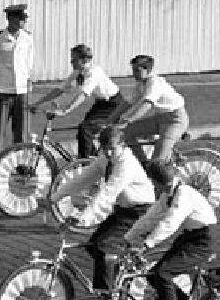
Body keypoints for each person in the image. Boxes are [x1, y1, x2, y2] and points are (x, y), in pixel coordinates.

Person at [45, 124, 155, 290]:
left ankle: (104, 297)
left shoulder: (126, 165)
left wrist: (81, 218)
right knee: (93, 246)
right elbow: (83, 179)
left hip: (140, 212)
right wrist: (54, 198)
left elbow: (107, 194)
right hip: (123, 211)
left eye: (112, 149)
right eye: (105, 149)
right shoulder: (106, 159)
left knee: (104, 248)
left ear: (123, 145)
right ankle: (117, 281)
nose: (108, 153)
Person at [124, 159, 217, 300]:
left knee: (163, 274)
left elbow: (170, 223)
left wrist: (147, 244)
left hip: (201, 242)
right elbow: (152, 217)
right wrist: (129, 237)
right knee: (153, 274)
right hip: (189, 238)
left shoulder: (183, 196)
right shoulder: (170, 193)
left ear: (158, 183)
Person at [30, 45, 123, 159]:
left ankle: (85, 164)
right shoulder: (78, 72)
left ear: (84, 60)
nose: (71, 62)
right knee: (83, 132)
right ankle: (91, 158)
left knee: (85, 129)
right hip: (101, 104)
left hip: (113, 104)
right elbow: (59, 90)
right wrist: (38, 103)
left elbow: (83, 95)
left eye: (74, 59)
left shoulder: (93, 72)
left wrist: (65, 111)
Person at [0, 4, 34, 174]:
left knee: (22, 132)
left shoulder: (27, 38)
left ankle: (22, 166)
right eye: (20, 18)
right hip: (2, 91)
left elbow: (29, 62)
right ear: (10, 19)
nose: (23, 21)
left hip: (21, 91)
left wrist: (27, 80)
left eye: (24, 18)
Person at [113, 54, 189, 164]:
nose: (134, 74)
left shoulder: (155, 83)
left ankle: (155, 171)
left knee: (157, 163)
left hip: (174, 121)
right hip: (159, 119)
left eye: (137, 71)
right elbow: (128, 102)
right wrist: (110, 119)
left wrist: (129, 120)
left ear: (147, 69)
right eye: (133, 70)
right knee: (123, 132)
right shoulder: (141, 83)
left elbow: (147, 104)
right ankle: (143, 164)